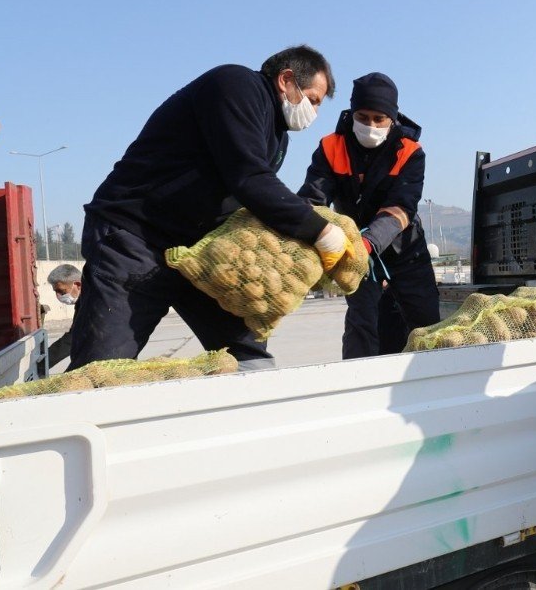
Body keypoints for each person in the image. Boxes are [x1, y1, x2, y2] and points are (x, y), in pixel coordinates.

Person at [71, 46, 351, 371]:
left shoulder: (277, 136)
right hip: (135, 240)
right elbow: (249, 179)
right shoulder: (236, 86)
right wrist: (320, 231)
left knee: (247, 357)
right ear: (286, 79)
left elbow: (251, 200)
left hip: (198, 255)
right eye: (312, 100)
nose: (313, 112)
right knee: (100, 373)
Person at [299, 72, 439, 358]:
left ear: (392, 118)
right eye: (362, 117)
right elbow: (313, 200)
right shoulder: (331, 147)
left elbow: (401, 207)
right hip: (355, 256)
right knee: (362, 326)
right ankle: (358, 379)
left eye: (379, 119)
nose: (370, 125)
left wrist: (368, 242)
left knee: (426, 323)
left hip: (405, 250)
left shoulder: (410, 152)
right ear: (352, 114)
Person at [38, 264, 82, 371]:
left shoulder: (92, 303)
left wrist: (41, 365)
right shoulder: (83, 302)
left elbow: (72, 339)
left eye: (62, 291)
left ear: (77, 285)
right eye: (56, 292)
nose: (58, 296)